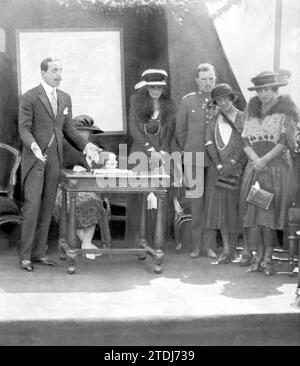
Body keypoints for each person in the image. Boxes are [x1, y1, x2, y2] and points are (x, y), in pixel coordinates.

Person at [18, 57, 101, 272]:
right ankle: (25, 256)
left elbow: (69, 130)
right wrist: (34, 147)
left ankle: (38, 254)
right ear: (43, 73)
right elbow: (24, 128)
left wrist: (86, 147)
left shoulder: (64, 98)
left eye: (60, 70)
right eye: (54, 70)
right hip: (35, 161)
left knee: (46, 209)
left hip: (55, 161)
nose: (59, 75)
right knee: (32, 207)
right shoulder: (29, 97)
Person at [239, 71, 298, 275]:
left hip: (276, 170)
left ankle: (268, 258)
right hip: (255, 171)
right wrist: (256, 160)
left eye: (268, 89)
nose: (264, 94)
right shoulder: (252, 110)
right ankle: (257, 256)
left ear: (275, 90)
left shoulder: (285, 112)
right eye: (260, 90)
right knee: (255, 214)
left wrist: (264, 160)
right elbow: (245, 140)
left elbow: (284, 142)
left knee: (270, 215)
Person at [54, 115, 113, 260]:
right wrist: (73, 168)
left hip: (91, 190)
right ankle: (86, 244)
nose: (84, 135)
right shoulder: (65, 147)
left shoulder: (96, 147)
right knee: (74, 203)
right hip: (64, 190)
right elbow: (59, 170)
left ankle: (85, 244)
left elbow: (108, 158)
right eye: (80, 131)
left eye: (87, 132)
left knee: (92, 200)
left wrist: (107, 160)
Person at [127, 69, 177, 241]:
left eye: (159, 88)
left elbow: (169, 132)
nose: (156, 91)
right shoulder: (136, 101)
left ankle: (158, 238)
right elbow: (134, 129)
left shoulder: (169, 105)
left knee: (160, 194)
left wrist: (162, 151)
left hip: (162, 152)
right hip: (141, 152)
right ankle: (140, 238)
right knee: (141, 195)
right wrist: (150, 151)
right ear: (147, 87)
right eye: (152, 87)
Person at [175, 63, 217, 258]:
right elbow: (180, 131)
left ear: (215, 79)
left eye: (211, 79)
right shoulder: (188, 102)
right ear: (197, 81)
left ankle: (209, 246)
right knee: (196, 202)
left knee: (212, 202)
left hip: (216, 159)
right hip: (194, 158)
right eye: (204, 79)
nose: (207, 83)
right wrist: (189, 149)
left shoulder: (221, 100)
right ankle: (195, 245)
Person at [204, 84, 247, 264]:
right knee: (221, 210)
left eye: (225, 99)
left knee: (239, 209)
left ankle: (245, 251)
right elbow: (209, 144)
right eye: (219, 100)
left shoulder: (244, 118)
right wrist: (218, 164)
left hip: (241, 169)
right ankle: (228, 250)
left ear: (231, 99)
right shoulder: (213, 121)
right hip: (218, 171)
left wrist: (234, 162)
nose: (223, 103)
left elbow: (247, 142)